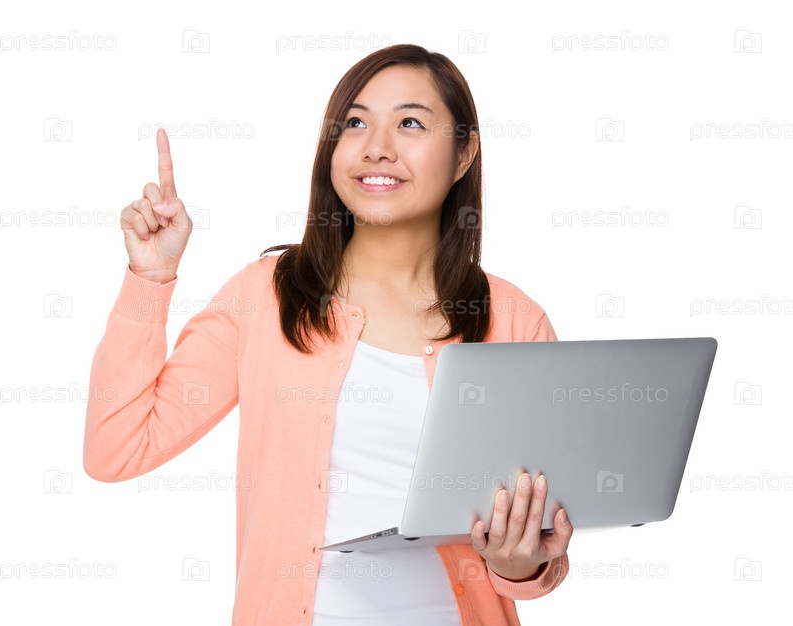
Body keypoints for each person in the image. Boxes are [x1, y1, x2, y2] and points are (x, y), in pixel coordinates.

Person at [84, 43, 573, 625]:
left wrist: (520, 564)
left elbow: (542, 546)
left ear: (464, 154)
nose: (376, 148)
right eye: (355, 123)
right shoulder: (265, 296)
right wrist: (149, 278)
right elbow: (117, 448)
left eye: (410, 123)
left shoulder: (514, 320)